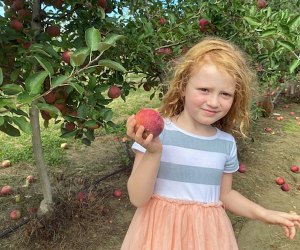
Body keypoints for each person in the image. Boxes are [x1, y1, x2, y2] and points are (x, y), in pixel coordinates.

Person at [121, 37, 300, 250]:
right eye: (204, 90)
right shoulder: (157, 135)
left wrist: (264, 213)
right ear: (183, 87)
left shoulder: (225, 143)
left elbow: (226, 195)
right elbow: (138, 198)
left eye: (225, 94)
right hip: (158, 236)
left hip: (206, 238)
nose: (214, 102)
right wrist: (153, 153)